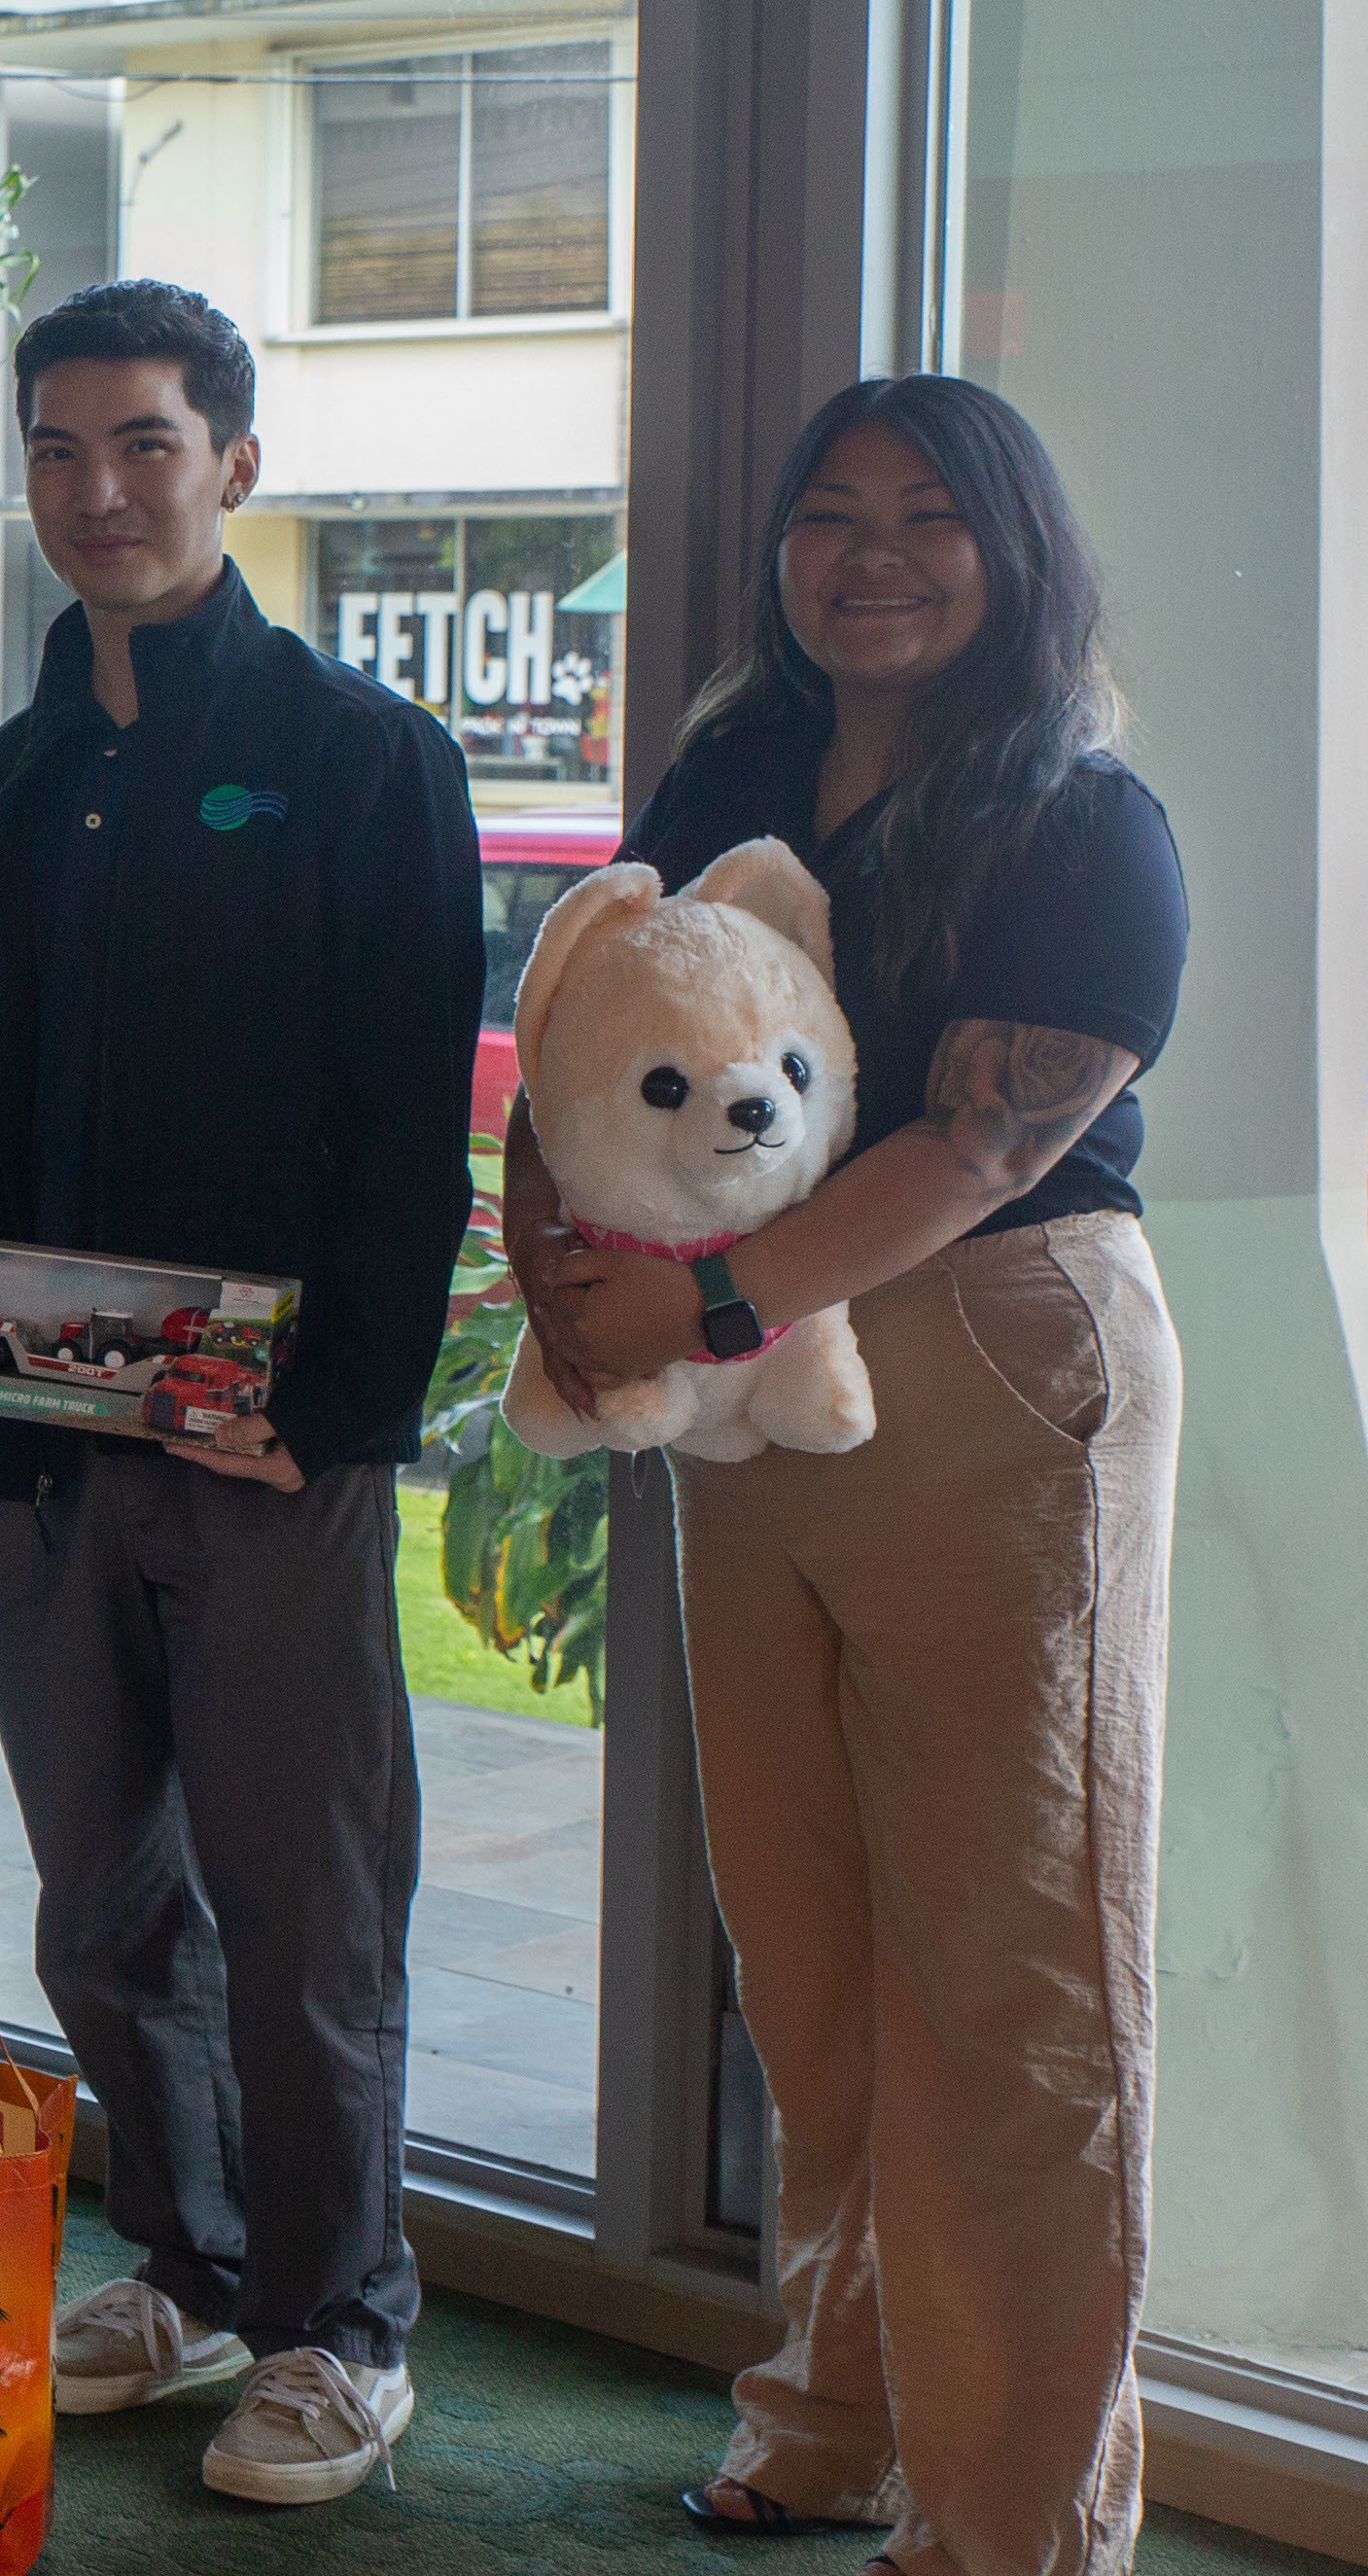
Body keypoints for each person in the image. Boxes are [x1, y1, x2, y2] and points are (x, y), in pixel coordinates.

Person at [512, 378, 1183, 2576]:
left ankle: (1016, 2519)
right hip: (749, 1383)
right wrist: (567, 1279)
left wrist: (710, 1313)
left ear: (1015, 551)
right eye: (827, 514)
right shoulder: (729, 771)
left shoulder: (1085, 814)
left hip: (990, 1351)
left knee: (1010, 1968)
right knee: (804, 1942)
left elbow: (979, 1140)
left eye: (925, 516)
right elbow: (615, 1045)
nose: (868, 553)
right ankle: (830, 2409)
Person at [0, 280, 480, 2505]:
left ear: (233, 464)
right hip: (40, 1439)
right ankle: (196, 2253)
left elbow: (395, 1122)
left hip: (266, 1444)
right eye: (58, 450)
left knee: (302, 1904)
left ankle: (346, 2321)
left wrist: (330, 1405)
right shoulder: (9, 777)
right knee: (99, 1905)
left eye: (143, 443)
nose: (98, 490)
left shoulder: (361, 755)